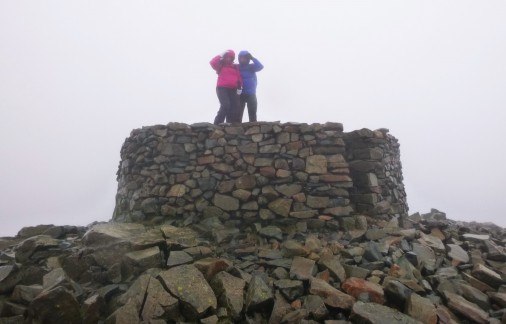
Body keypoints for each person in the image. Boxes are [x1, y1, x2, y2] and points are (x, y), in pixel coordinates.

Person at [210, 50, 243, 124]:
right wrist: (220, 55)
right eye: (227, 57)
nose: (228, 59)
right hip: (222, 88)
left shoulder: (235, 67)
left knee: (234, 107)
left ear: (232, 58)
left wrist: (239, 87)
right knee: (225, 105)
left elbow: (239, 77)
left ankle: (230, 124)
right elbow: (212, 63)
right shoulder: (220, 65)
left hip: (233, 89)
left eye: (230, 57)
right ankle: (217, 124)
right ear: (224, 57)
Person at [238, 51, 264, 122]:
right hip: (240, 93)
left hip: (251, 93)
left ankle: (254, 129)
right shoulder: (237, 67)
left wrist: (252, 58)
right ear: (239, 58)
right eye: (241, 58)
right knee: (238, 114)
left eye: (245, 58)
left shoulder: (251, 67)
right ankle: (236, 129)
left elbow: (260, 66)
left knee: (252, 112)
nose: (243, 60)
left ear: (248, 59)